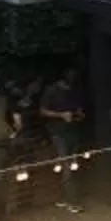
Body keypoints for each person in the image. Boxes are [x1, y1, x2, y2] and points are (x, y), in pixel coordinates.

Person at [36, 67, 87, 209]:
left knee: (72, 166)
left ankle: (65, 198)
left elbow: (77, 108)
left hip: (73, 132)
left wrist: (79, 114)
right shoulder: (51, 90)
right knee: (66, 167)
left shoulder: (74, 90)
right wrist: (61, 115)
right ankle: (73, 202)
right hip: (58, 133)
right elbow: (42, 111)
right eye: (71, 75)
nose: (73, 78)